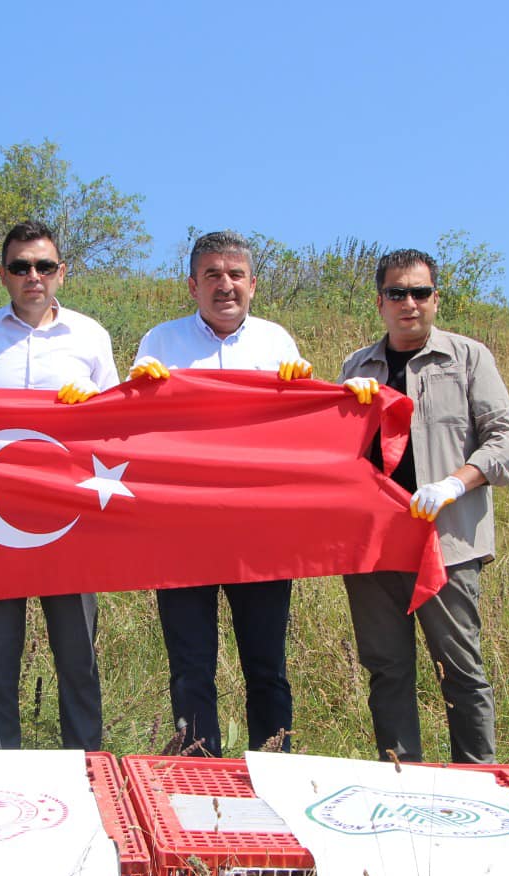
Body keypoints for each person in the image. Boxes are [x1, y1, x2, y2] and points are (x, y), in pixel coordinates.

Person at [128, 230, 315, 757]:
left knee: (267, 664)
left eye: (235, 275)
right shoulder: (160, 342)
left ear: (253, 284)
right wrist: (138, 390)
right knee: (190, 665)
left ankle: (275, 766)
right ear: (192, 285)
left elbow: (306, 432)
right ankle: (197, 767)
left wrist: (308, 389)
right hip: (182, 528)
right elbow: (130, 426)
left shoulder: (277, 343)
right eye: (212, 274)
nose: (225, 285)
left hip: (261, 529)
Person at [0, 219, 117, 750]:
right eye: (20, 266)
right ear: (3, 274)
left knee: (77, 655)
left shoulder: (91, 336)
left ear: (62, 272)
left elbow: (119, 427)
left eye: (43, 265)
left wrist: (96, 402)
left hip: (70, 517)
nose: (32, 275)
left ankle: (86, 766)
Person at [339, 248, 509, 763]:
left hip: (448, 541)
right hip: (375, 548)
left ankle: (476, 780)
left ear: (436, 298)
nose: (409, 303)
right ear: (380, 302)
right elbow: (337, 456)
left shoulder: (467, 358)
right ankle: (402, 779)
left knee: (460, 669)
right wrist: (343, 411)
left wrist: (454, 484)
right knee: (387, 668)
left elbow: (505, 436)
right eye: (397, 293)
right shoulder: (357, 366)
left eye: (420, 292)